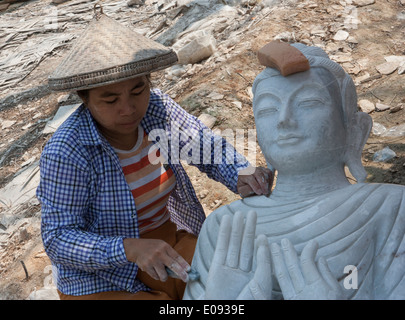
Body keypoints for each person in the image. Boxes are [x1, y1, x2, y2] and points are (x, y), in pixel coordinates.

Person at [36, 8, 272, 300]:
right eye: (110, 100)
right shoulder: (68, 150)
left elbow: (206, 147)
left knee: (243, 278)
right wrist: (130, 249)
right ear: (84, 100)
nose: (129, 108)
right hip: (99, 278)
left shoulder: (156, 110)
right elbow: (59, 239)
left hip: (166, 243)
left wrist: (240, 174)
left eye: (138, 90)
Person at [183, 42, 405, 300]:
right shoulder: (224, 225)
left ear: (355, 130)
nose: (284, 119)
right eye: (268, 109)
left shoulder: (392, 208)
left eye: (308, 102)